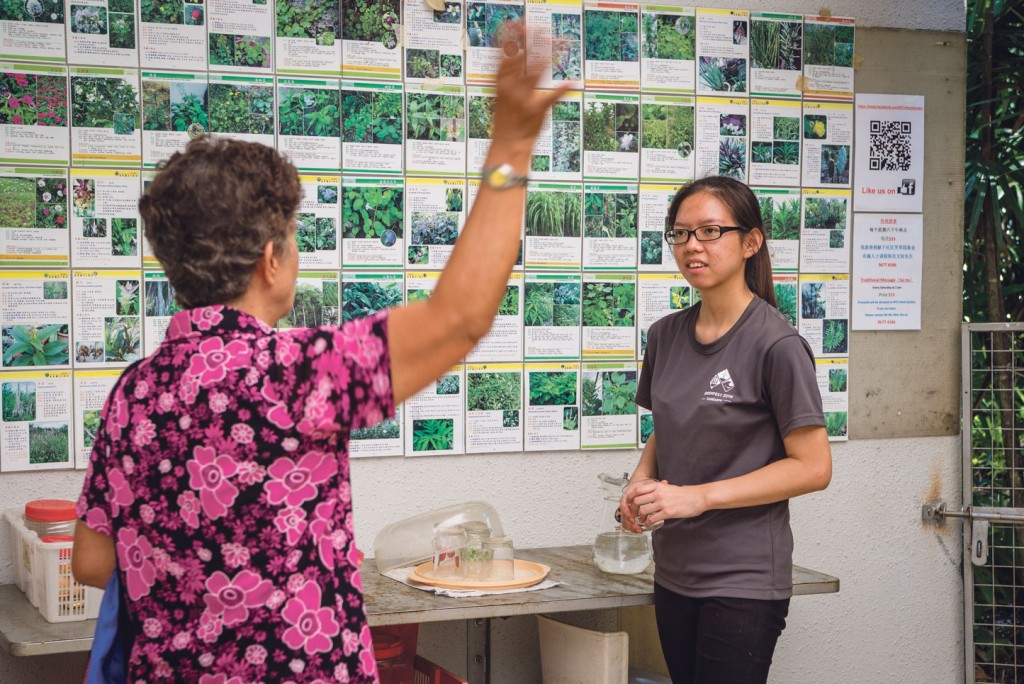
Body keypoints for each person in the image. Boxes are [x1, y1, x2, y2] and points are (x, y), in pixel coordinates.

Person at [71, 34, 570, 681]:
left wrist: (204, 565)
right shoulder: (297, 372)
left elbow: (90, 559)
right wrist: (510, 149)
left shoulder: (132, 392)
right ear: (270, 260)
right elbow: (460, 318)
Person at [620, 176, 832, 684]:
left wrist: (698, 497)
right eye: (681, 233)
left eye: (710, 231)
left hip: (744, 581)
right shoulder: (665, 335)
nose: (692, 245)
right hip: (673, 572)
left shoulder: (777, 345)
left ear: (750, 242)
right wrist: (639, 485)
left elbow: (814, 467)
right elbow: (668, 424)